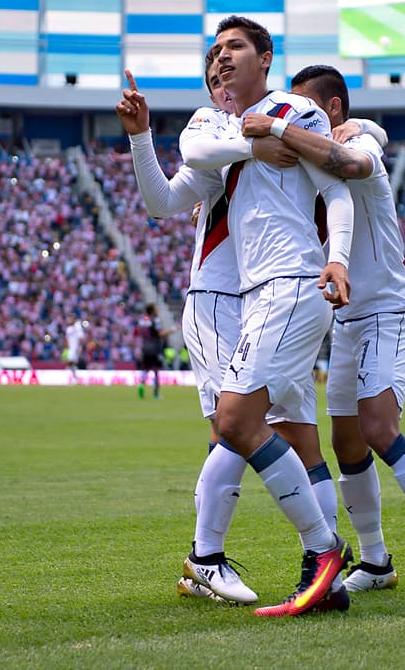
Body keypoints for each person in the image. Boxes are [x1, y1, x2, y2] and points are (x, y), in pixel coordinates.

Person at [242, 64, 405, 603]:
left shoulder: (361, 148)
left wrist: (277, 128)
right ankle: (375, 561)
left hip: (388, 310)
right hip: (347, 317)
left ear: (330, 111)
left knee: (377, 426)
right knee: (347, 442)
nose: (291, 115)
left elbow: (351, 159)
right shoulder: (312, 161)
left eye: (302, 108)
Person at [181, 16, 355, 617]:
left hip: (291, 283)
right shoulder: (223, 122)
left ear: (266, 56)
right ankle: (323, 572)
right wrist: (252, 142)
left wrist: (336, 259)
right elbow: (189, 153)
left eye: (234, 47)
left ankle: (323, 549)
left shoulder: (296, 111)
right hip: (260, 293)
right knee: (261, 426)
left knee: (233, 420)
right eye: (215, 50)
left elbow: (335, 189)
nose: (222, 58)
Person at [118, 55, 297, 605]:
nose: (220, 81)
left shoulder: (282, 121)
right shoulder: (211, 128)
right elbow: (162, 200)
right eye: (212, 77)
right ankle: (208, 559)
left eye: (227, 71)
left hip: (265, 296)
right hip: (217, 301)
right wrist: (141, 137)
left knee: (239, 430)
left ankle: (207, 562)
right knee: (236, 426)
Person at [137, 303, 170, 399]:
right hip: (155, 349)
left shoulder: (142, 321)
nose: (157, 310)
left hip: (145, 348)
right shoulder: (155, 320)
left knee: (145, 369)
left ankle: (141, 385)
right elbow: (160, 334)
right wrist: (171, 330)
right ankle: (156, 394)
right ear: (152, 310)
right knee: (156, 371)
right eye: (156, 308)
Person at [64, 318, 87, 385]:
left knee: (70, 361)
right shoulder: (68, 329)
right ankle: (75, 376)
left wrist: (79, 346)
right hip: (71, 348)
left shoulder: (78, 327)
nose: (70, 320)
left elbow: (81, 338)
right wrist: (67, 346)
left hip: (76, 348)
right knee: (72, 362)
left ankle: (73, 375)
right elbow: (67, 338)